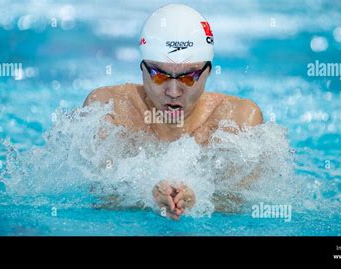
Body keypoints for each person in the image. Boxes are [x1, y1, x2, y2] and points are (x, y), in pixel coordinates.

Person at [84, 4, 263, 220]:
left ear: (208, 72)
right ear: (142, 68)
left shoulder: (237, 118)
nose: (173, 91)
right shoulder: (110, 109)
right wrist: (146, 196)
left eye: (189, 77)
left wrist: (201, 199)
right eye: (159, 75)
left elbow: (242, 202)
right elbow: (101, 198)